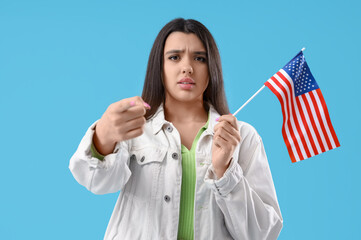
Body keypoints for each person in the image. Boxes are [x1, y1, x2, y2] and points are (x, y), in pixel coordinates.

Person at [69, 18, 283, 240]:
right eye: (174, 57)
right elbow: (96, 182)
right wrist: (104, 135)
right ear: (159, 68)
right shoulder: (134, 128)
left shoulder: (243, 137)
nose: (187, 67)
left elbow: (263, 234)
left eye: (200, 58)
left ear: (212, 69)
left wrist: (226, 171)